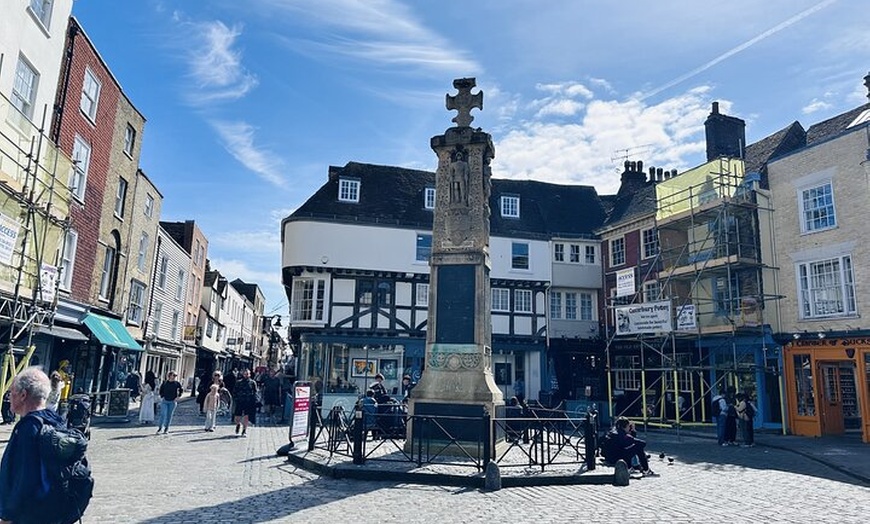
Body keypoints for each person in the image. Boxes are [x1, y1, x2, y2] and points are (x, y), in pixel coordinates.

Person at [0, 367, 68, 523]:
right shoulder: (54, 420)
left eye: (12, 393)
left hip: (29, 515)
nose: (9, 397)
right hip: (51, 510)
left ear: (23, 395)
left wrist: (7, 515)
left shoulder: (28, 428)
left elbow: (24, 477)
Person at [233, 369, 258, 437]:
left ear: (249, 374)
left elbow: (255, 392)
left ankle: (244, 430)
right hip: (240, 401)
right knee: (237, 417)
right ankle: (238, 424)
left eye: (247, 374)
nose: (246, 375)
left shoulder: (252, 383)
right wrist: (236, 398)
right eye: (245, 374)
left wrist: (255, 400)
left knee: (246, 416)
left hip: (248, 401)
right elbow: (235, 391)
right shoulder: (238, 382)